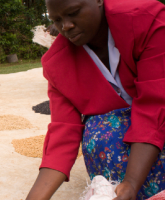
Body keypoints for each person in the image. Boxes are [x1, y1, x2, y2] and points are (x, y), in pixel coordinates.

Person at [26, 0, 165, 200]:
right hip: (127, 136)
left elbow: (155, 103)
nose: (66, 26)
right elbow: (63, 132)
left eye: (73, 12)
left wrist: (132, 182)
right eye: (57, 20)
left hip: (159, 116)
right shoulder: (57, 63)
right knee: (99, 132)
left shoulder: (143, 20)